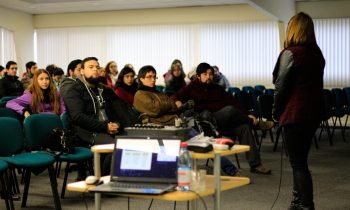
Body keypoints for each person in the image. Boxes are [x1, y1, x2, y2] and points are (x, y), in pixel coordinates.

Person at [172, 62, 272, 175]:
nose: (208, 77)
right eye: (205, 74)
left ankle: (255, 165)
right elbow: (175, 96)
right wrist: (177, 101)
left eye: (210, 74)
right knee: (229, 110)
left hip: (224, 122)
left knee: (244, 127)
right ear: (198, 76)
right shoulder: (191, 87)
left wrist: (247, 113)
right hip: (208, 122)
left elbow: (234, 102)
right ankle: (256, 124)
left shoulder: (217, 88)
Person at [272, 12, 325, 210]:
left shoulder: (290, 53)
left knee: (298, 163)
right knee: (299, 161)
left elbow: (281, 87)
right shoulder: (316, 54)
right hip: (313, 113)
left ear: (293, 29)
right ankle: (296, 201)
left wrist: (276, 113)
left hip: (295, 114)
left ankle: (305, 205)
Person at [61, 57, 135, 177]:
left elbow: (119, 110)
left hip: (108, 128)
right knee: (117, 148)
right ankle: (102, 181)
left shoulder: (103, 89)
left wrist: (118, 123)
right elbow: (77, 117)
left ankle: (118, 177)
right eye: (91, 67)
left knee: (134, 142)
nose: (95, 69)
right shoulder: (74, 90)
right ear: (82, 71)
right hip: (86, 132)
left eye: (97, 67)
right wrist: (105, 127)